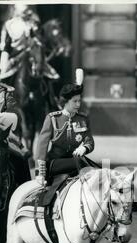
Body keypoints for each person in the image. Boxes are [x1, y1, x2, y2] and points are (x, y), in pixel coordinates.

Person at [35, 68, 95, 205]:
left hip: (75, 161)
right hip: (55, 163)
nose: (78, 105)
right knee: (83, 164)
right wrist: (41, 174)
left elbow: (89, 140)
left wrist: (84, 148)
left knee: (99, 170)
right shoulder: (53, 119)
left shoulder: (83, 119)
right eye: (75, 101)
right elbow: (42, 148)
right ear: (66, 102)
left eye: (79, 101)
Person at [0, 46, 31, 208]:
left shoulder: (6, 91)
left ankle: (25, 197)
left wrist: (3, 116)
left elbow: (14, 112)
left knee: (20, 158)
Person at [0, 4, 58, 81]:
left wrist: (36, 39)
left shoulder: (32, 22)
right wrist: (3, 43)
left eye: (27, 12)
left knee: (41, 62)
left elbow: (35, 35)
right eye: (24, 12)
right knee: (4, 71)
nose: (28, 13)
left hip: (30, 49)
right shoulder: (11, 23)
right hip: (16, 52)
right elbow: (8, 41)